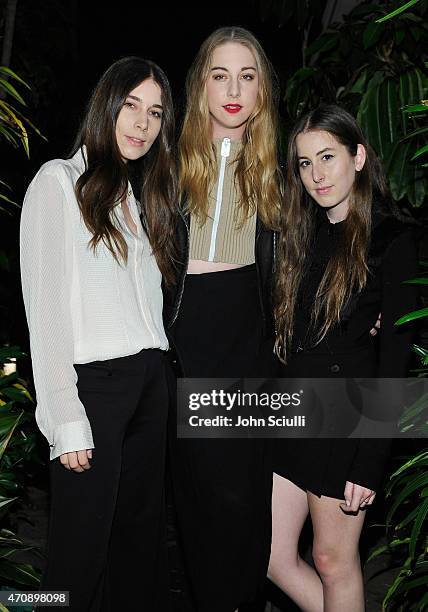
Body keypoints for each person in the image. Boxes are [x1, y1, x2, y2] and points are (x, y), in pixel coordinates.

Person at [20, 56, 177, 612]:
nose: (141, 123)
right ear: (106, 105)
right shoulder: (58, 181)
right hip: (96, 389)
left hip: (150, 385)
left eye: (155, 112)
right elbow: (45, 308)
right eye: (130, 105)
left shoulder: (137, 199)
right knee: (75, 562)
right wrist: (65, 415)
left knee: (138, 554)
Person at [269, 104, 419, 611]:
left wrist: (371, 459)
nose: (317, 174)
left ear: (358, 157)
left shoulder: (393, 239)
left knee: (334, 561)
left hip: (348, 421)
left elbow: (396, 361)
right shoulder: (301, 235)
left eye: (328, 157)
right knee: (270, 555)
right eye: (306, 163)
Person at [163, 26, 283, 612]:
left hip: (245, 356)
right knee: (196, 510)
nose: (233, 89)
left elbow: (343, 228)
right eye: (220, 75)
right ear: (201, 85)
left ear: (262, 89)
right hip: (182, 350)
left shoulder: (281, 173)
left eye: (247, 75)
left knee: (242, 511)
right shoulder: (165, 163)